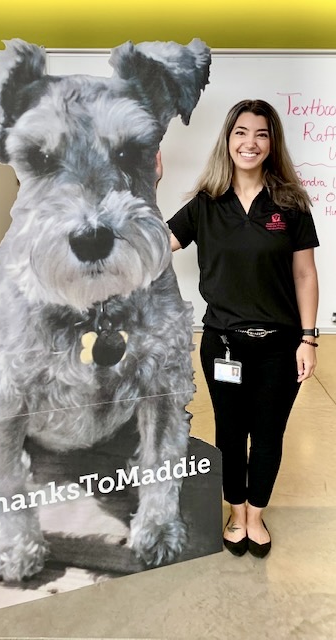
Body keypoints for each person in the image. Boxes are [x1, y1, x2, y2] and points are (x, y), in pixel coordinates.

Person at [164, 99, 319, 558]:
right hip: (223, 344)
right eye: (241, 133)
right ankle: (235, 511)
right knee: (231, 433)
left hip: (280, 346)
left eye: (261, 134)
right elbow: (156, 246)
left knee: (268, 433)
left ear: (272, 144)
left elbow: (305, 275)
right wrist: (146, 181)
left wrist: (309, 338)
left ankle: (256, 512)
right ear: (228, 140)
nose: (250, 142)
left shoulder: (290, 204)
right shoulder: (206, 205)